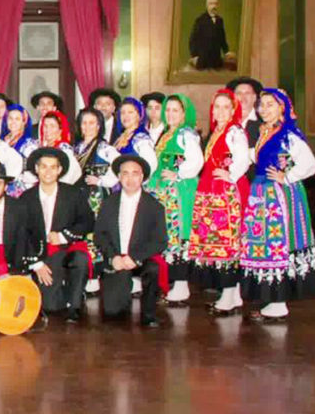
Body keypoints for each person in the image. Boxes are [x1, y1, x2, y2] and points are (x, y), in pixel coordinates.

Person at [240, 89, 315, 322]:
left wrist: (288, 177)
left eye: (270, 105)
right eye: (261, 105)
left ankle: (278, 303)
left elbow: (311, 164)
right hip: (262, 194)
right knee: (264, 244)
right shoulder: (266, 132)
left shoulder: (288, 135)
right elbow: (255, 157)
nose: (264, 109)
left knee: (277, 244)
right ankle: (271, 301)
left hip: (278, 196)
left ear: (282, 108)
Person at [189, 89, 250, 317]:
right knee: (217, 241)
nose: (221, 111)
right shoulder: (217, 131)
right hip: (211, 191)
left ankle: (228, 294)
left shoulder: (234, 131)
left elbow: (242, 158)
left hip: (225, 193)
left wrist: (230, 175)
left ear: (234, 110)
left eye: (227, 107)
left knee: (227, 241)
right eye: (217, 107)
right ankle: (232, 295)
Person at [20, 148, 95, 322]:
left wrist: (63, 236)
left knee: (81, 260)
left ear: (59, 170)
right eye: (44, 167)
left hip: (68, 249)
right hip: (42, 254)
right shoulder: (26, 198)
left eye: (53, 167)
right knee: (50, 306)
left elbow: (88, 221)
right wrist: (36, 264)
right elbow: (22, 233)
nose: (48, 171)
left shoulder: (73, 194)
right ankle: (64, 291)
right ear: (37, 169)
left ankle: (75, 305)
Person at [94, 155, 168, 327]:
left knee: (153, 268)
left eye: (135, 174)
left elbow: (160, 241)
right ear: (119, 177)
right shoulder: (108, 203)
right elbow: (100, 234)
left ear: (142, 177)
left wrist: (135, 257)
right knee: (113, 313)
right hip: (117, 258)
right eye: (125, 174)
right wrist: (113, 257)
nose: (130, 179)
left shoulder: (154, 206)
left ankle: (149, 313)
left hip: (141, 258)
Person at [146, 94, 202, 305]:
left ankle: (181, 285)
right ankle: (170, 282)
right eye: (167, 110)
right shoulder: (168, 133)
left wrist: (178, 174)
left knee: (179, 234)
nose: (170, 114)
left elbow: (196, 161)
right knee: (168, 235)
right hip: (165, 192)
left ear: (184, 113)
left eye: (175, 110)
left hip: (179, 192)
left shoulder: (186, 134)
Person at [73, 108, 121, 295]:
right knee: (82, 233)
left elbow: (118, 164)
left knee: (95, 233)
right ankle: (85, 274)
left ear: (99, 125)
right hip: (80, 196)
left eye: (92, 123)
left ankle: (95, 277)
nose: (87, 127)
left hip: (96, 197)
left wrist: (102, 181)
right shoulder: (77, 147)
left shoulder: (104, 148)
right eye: (84, 123)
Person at [17, 111, 83, 196]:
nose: (48, 130)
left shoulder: (65, 151)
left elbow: (72, 176)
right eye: (45, 126)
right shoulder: (36, 146)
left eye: (52, 126)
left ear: (60, 130)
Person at [112, 97, 158, 175]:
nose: (126, 116)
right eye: (123, 113)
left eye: (130, 112)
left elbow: (151, 164)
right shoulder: (121, 137)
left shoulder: (140, 138)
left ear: (139, 115)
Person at [189, 0, 229, 70]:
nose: (214, 6)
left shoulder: (220, 20)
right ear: (207, 6)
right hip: (203, 59)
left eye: (216, 4)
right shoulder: (200, 20)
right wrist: (194, 56)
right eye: (211, 4)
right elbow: (193, 39)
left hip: (216, 59)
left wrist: (226, 52)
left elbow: (222, 38)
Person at [3, 104, 35, 198]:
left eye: (17, 119)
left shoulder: (29, 144)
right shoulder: (3, 142)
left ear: (23, 121)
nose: (13, 122)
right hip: (3, 189)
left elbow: (33, 171)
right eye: (10, 118)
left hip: (23, 191)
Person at [227, 76, 264, 146]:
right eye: (239, 93)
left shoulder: (263, 123)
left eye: (247, 93)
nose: (243, 97)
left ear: (254, 97)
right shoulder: (224, 122)